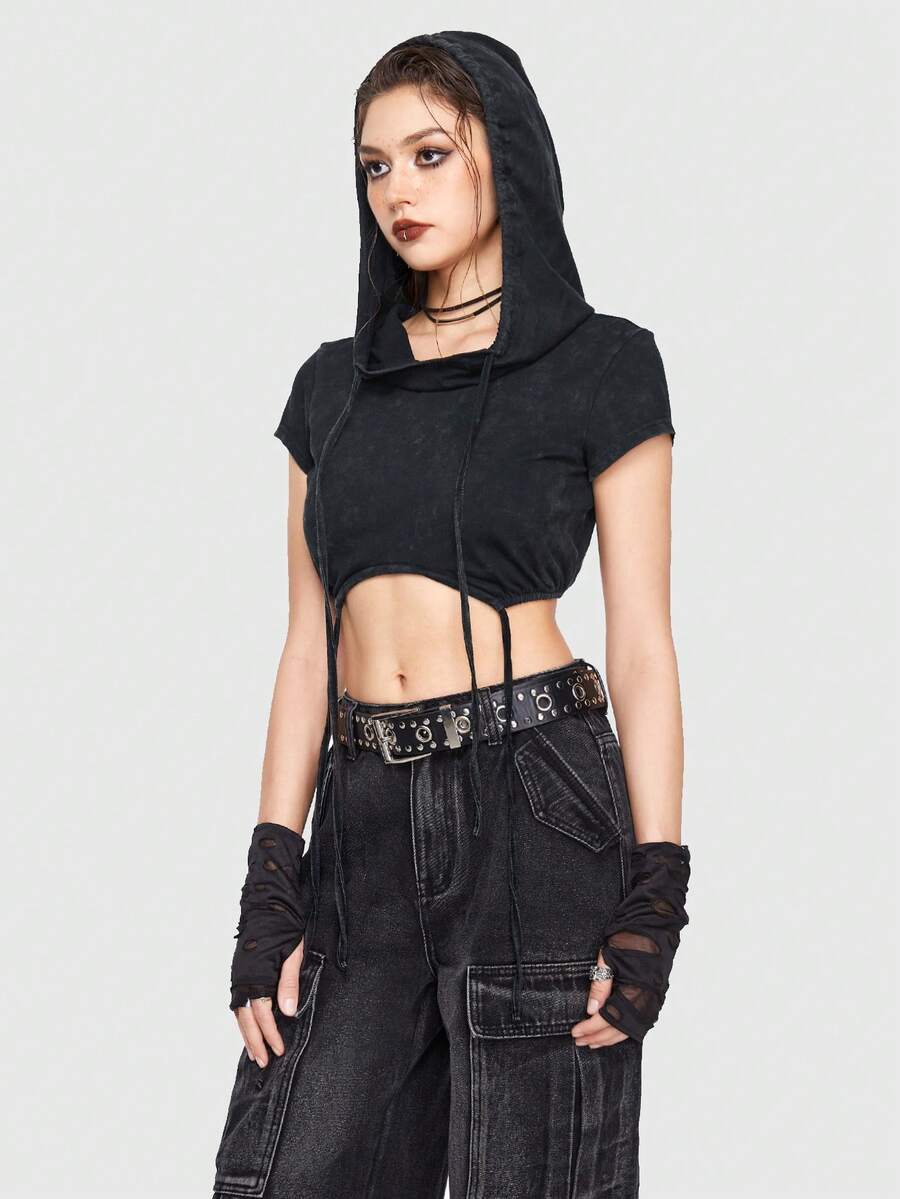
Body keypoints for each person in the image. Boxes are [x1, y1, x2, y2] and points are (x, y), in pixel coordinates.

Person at [211, 30, 692, 1199]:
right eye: (375, 166)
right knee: (282, 1171)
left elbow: (641, 641)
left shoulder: (602, 364)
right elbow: (306, 646)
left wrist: (657, 888)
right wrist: (271, 871)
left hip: (535, 798)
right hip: (361, 825)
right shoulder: (332, 386)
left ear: (504, 155)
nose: (398, 191)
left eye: (429, 154)